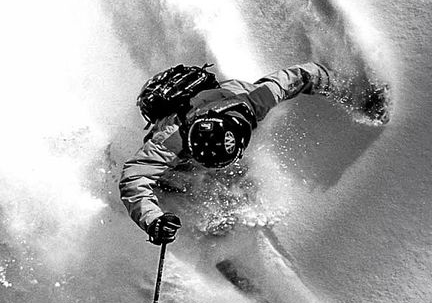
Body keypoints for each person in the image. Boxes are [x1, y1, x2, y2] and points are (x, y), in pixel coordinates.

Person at [120, 62, 389, 244]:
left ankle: (221, 218)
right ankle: (202, 227)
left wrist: (356, 95)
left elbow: (301, 76)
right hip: (178, 169)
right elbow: (134, 176)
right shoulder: (171, 138)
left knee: (233, 178)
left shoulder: (253, 99)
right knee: (178, 186)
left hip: (212, 143)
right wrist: (154, 220)